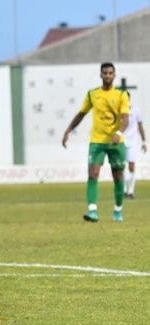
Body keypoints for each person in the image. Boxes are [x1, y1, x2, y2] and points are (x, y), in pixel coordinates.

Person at [62, 62, 130, 222]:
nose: (107, 75)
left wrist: (118, 132)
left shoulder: (121, 95)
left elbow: (125, 119)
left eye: (110, 73)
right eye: (104, 73)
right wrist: (68, 130)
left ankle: (118, 210)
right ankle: (92, 211)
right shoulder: (92, 94)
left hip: (116, 142)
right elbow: (81, 114)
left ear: (114, 75)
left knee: (118, 176)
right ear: (100, 75)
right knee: (93, 174)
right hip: (97, 141)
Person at [123, 94, 146, 199]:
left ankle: (130, 192)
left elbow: (140, 126)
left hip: (132, 142)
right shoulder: (118, 111)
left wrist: (144, 141)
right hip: (121, 142)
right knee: (120, 167)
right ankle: (123, 190)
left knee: (131, 166)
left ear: (129, 98)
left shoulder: (136, 111)